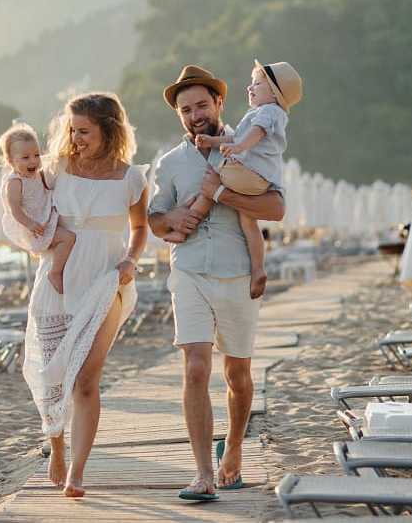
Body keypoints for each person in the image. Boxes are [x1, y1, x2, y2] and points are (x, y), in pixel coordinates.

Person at [147, 65, 285, 501]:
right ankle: (203, 473)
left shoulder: (251, 146)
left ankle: (236, 449)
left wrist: (222, 194)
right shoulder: (169, 163)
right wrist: (170, 219)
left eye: (201, 105)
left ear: (219, 103)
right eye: (185, 109)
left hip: (239, 273)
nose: (194, 115)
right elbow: (154, 217)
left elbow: (276, 207)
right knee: (195, 368)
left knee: (238, 375)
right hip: (188, 271)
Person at [20, 92, 149, 498]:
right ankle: (56, 448)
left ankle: (77, 472)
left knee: (87, 378)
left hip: (106, 279)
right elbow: (24, 197)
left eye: (84, 131)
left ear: (109, 130)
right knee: (54, 376)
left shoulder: (132, 178)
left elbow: (140, 228)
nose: (75, 138)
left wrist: (131, 260)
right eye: (72, 130)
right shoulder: (56, 168)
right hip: (57, 279)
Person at [181, 60, 302, 298]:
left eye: (257, 83)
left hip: (252, 175)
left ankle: (190, 217)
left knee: (214, 176)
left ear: (275, 94)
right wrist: (212, 141)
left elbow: (254, 135)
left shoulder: (269, 112)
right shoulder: (262, 112)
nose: (250, 87)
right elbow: (235, 139)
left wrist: (238, 149)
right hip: (256, 178)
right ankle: (258, 269)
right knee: (248, 223)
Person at [0, 123, 77, 293]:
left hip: (45, 218)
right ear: (11, 161)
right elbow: (14, 210)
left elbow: (48, 183)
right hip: (34, 227)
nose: (33, 160)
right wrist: (30, 224)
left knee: (69, 236)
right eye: (25, 158)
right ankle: (55, 273)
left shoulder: (37, 173)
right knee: (68, 238)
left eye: (36, 155)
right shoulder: (15, 182)